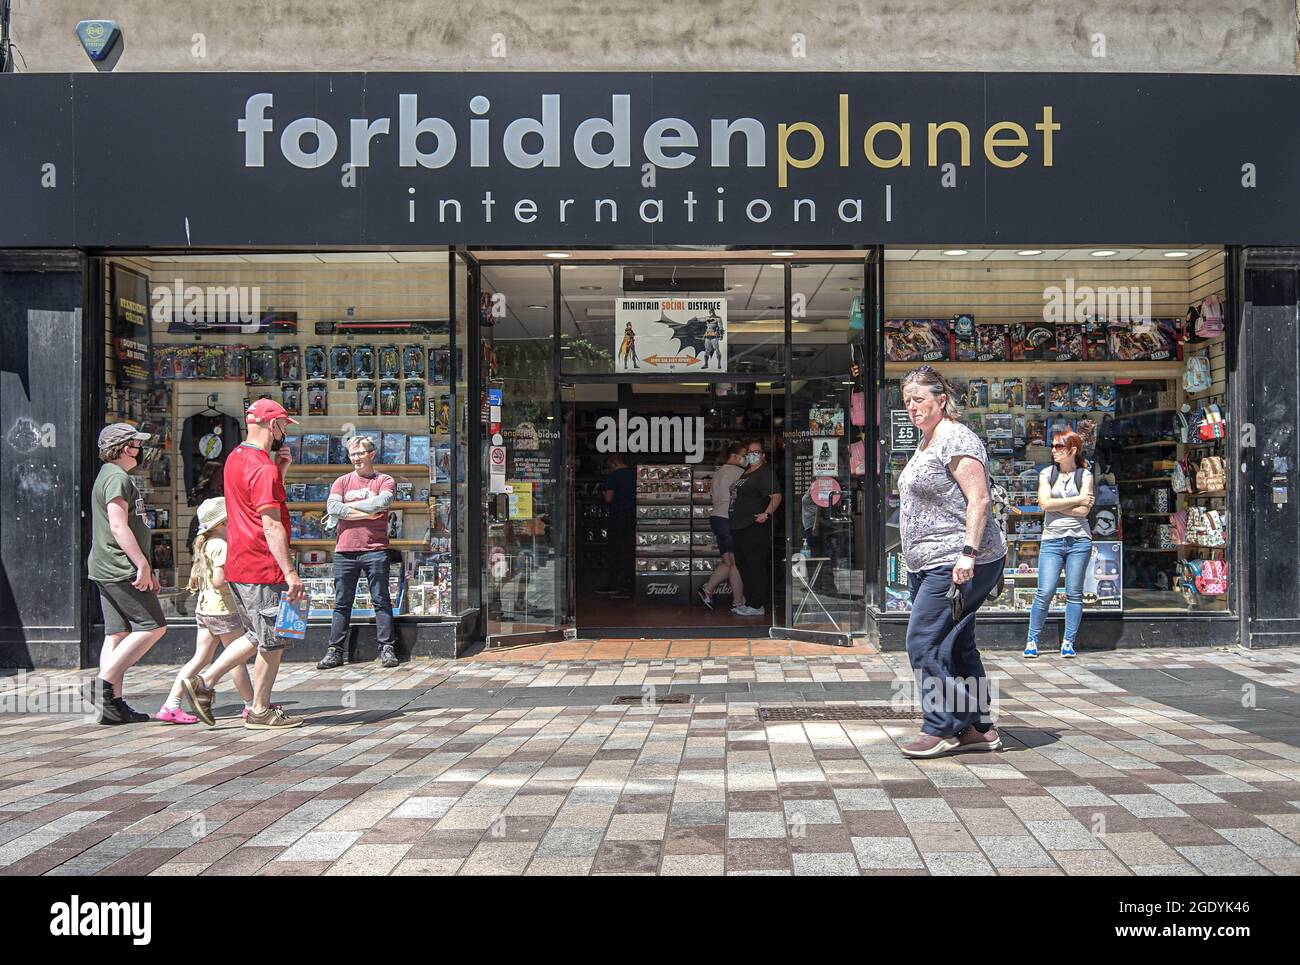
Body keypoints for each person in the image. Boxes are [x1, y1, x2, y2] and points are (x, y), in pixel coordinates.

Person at [896, 366, 1008, 758]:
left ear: (941, 400)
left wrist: (968, 554)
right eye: (907, 400)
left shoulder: (956, 437)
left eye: (919, 399)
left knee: (922, 642)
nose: (912, 406)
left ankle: (942, 725)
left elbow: (979, 499)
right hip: (929, 562)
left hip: (957, 560)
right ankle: (979, 728)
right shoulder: (927, 440)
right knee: (956, 646)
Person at [182, 399, 305, 730]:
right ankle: (259, 710)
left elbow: (251, 503)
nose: (283, 432)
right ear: (272, 425)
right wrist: (290, 572)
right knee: (273, 640)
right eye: (282, 425)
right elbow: (270, 523)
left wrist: (279, 471)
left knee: (256, 633)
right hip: (263, 566)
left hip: (242, 563)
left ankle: (204, 682)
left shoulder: (237, 458)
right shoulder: (261, 467)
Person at [86, 423, 168, 725]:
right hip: (120, 567)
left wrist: (145, 563)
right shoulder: (117, 478)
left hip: (107, 566)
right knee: (153, 627)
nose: (140, 450)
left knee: (117, 633)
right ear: (122, 448)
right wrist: (142, 565)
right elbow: (119, 525)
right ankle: (102, 685)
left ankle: (113, 705)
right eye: (135, 444)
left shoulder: (111, 476)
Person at [155, 497, 261, 723]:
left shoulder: (206, 543)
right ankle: (251, 705)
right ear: (223, 523)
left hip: (205, 609)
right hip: (223, 610)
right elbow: (219, 580)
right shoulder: (221, 545)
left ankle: (171, 705)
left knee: (200, 658)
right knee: (236, 659)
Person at [318, 436, 398, 669]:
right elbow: (332, 508)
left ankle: (386, 648)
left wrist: (347, 510)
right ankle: (335, 651)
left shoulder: (384, 480)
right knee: (342, 603)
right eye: (352, 454)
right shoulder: (341, 481)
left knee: (381, 600)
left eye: (360, 453)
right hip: (345, 550)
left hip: (375, 550)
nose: (356, 458)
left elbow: (381, 504)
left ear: (371, 454)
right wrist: (366, 512)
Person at [1024, 430, 1094, 659]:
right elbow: (1044, 504)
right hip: (1052, 540)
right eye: (1052, 446)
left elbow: (1084, 511)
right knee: (1045, 591)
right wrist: (1076, 500)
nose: (1053, 450)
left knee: (1074, 593)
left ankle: (1068, 642)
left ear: (1072, 450)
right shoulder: (1046, 473)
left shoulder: (1085, 475)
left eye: (1058, 446)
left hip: (1079, 540)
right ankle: (1032, 640)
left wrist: (1056, 504)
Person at [729, 439, 781, 618]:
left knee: (755, 565)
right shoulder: (747, 472)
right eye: (749, 452)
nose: (752, 455)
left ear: (763, 455)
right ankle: (750, 602)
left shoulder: (765, 472)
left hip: (754, 526)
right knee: (743, 565)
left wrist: (766, 514)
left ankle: (757, 604)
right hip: (739, 526)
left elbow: (776, 496)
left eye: (756, 452)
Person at [699, 443, 747, 610]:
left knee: (727, 561)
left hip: (717, 518)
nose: (747, 459)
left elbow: (713, 498)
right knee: (736, 563)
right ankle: (738, 602)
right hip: (730, 519)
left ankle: (708, 589)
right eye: (744, 455)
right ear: (734, 456)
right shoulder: (740, 472)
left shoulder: (718, 473)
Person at [596, 453, 636, 600]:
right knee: (630, 550)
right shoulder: (635, 474)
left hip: (618, 515)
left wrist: (602, 491)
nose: (608, 469)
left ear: (614, 464)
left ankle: (615, 584)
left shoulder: (614, 476)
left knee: (616, 551)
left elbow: (608, 498)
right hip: (634, 515)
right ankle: (630, 584)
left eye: (608, 467)